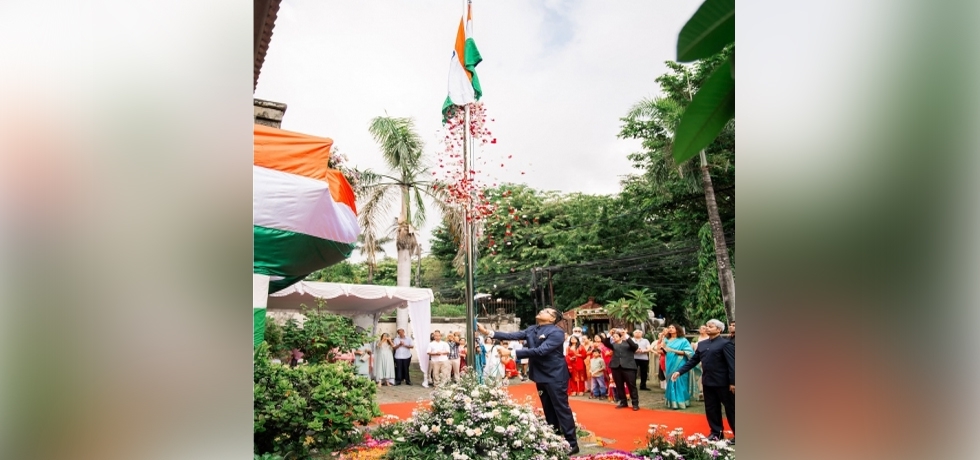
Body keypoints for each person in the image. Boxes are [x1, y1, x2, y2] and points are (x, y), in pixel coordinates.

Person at [478, 307, 580, 455]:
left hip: (555, 375)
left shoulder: (556, 333)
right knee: (547, 407)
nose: (541, 311)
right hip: (540, 374)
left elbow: (541, 351)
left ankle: (572, 443)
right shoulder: (533, 329)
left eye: (546, 311)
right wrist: (489, 333)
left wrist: (512, 352)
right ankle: (554, 437)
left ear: (552, 318)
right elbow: (512, 335)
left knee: (561, 408)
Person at [672, 319, 735, 443]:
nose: (707, 328)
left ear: (719, 329)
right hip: (707, 382)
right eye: (707, 326)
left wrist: (733, 382)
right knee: (711, 408)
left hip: (724, 383)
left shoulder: (725, 344)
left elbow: (732, 364)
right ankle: (716, 433)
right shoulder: (702, 344)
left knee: (731, 409)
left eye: (711, 326)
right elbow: (693, 360)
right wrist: (680, 371)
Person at [602, 328, 640, 410]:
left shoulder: (628, 344)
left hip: (629, 367)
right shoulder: (613, 345)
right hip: (616, 367)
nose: (614, 337)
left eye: (616, 336)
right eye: (613, 336)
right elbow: (605, 342)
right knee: (619, 386)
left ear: (621, 337)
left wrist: (625, 335)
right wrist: (609, 334)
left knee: (631, 385)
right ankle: (623, 402)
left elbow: (635, 346)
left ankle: (635, 403)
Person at [663, 324, 694, 409]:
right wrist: (662, 349)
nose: (670, 329)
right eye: (669, 327)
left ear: (677, 329)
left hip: (680, 361)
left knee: (679, 379)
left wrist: (673, 350)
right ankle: (672, 402)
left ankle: (681, 401)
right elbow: (664, 351)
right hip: (669, 361)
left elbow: (689, 352)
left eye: (673, 327)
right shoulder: (666, 339)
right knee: (670, 380)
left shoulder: (683, 340)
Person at [692, 325, 710, 400]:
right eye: (700, 328)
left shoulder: (708, 338)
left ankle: (705, 392)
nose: (701, 329)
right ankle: (698, 391)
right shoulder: (696, 338)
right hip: (697, 358)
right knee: (697, 376)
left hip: (705, 359)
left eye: (703, 328)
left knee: (704, 374)